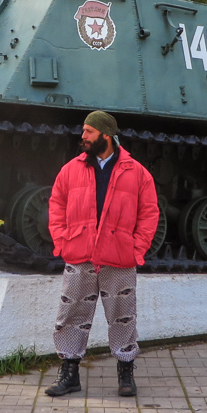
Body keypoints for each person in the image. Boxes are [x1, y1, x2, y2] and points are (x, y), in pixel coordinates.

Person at [44, 110, 160, 398]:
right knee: (71, 314)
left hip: (119, 258)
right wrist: (62, 240)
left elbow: (149, 213)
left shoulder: (136, 172)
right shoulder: (71, 169)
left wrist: (136, 248)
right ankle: (69, 373)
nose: (83, 136)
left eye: (89, 131)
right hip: (80, 254)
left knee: (122, 316)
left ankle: (125, 372)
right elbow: (56, 204)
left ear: (106, 135)